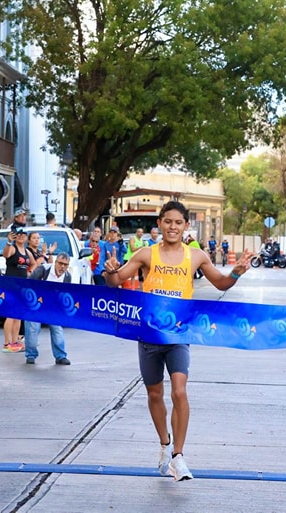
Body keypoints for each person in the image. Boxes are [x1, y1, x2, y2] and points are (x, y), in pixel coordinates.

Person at [103, 200, 252, 482]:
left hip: (180, 334)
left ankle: (179, 457)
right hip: (148, 334)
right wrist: (110, 270)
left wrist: (236, 272)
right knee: (155, 394)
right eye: (168, 221)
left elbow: (221, 283)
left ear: (186, 226)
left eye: (178, 222)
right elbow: (117, 280)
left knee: (180, 392)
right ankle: (164, 443)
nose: (172, 227)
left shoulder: (195, 256)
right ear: (159, 224)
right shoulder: (147, 254)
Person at [25, 253, 72, 365]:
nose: (62, 267)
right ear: (55, 262)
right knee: (33, 329)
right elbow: (28, 284)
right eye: (60, 263)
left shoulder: (67, 276)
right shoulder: (43, 270)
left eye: (65, 265)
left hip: (53, 306)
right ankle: (31, 355)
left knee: (57, 330)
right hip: (36, 304)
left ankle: (60, 356)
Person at [1, 227, 32, 352]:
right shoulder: (13, 248)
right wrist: (8, 242)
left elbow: (34, 263)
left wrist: (30, 272)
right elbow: (6, 254)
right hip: (11, 285)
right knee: (10, 314)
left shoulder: (26, 251)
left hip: (22, 286)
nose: (21, 236)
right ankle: (7, 343)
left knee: (18, 314)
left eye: (23, 234)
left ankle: (15, 341)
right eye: (18, 234)